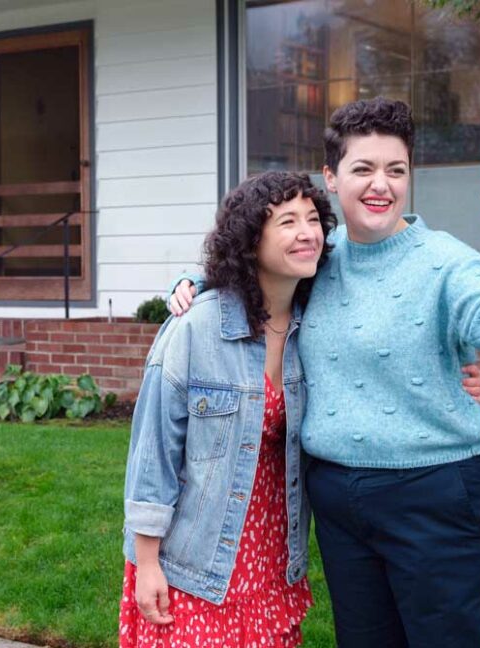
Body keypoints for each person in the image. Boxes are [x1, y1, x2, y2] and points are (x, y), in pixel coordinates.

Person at [169, 97, 480, 647]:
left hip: (436, 494)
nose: (381, 184)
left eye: (396, 170)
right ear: (330, 178)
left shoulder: (447, 262)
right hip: (338, 500)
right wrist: (197, 280)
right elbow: (258, 261)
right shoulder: (318, 257)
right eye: (363, 168)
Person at [120, 171, 333, 647]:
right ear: (249, 239)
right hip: (194, 563)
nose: (307, 232)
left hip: (273, 558)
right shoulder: (196, 328)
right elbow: (153, 453)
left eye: (314, 219)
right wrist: (147, 562)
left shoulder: (316, 328)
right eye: (287, 221)